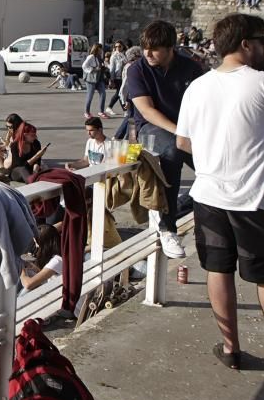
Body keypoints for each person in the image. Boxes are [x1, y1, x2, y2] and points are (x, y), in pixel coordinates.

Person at [176, 13, 264, 376]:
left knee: (218, 270)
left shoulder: (197, 86)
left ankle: (230, 348)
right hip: (257, 200)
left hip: (208, 196)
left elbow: (182, 141)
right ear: (246, 44)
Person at [124, 19, 206, 258]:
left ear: (171, 48)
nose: (147, 53)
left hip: (188, 128)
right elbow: (147, 110)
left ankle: (193, 208)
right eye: (145, 47)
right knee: (172, 151)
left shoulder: (191, 68)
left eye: (155, 48)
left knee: (212, 165)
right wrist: (182, 133)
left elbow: (205, 105)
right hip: (149, 128)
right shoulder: (137, 69)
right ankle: (167, 227)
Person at [19, 224, 63, 291]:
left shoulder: (57, 261)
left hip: (55, 294)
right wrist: (30, 266)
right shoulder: (58, 257)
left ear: (44, 244)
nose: (36, 246)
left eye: (36, 243)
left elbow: (28, 284)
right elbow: (46, 272)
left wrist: (21, 270)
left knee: (25, 288)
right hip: (55, 289)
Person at [82, 43, 109, 119]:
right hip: (91, 79)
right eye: (100, 49)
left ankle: (101, 111)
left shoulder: (99, 57)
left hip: (99, 78)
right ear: (96, 49)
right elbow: (84, 66)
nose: (101, 50)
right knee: (90, 95)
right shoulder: (91, 57)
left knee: (103, 94)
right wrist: (93, 69)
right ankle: (87, 112)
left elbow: (102, 66)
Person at [106, 42, 127, 115]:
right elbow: (112, 68)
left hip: (125, 76)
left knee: (120, 93)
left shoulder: (124, 55)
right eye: (116, 46)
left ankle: (109, 107)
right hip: (118, 77)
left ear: (122, 47)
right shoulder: (114, 56)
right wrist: (112, 79)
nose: (117, 48)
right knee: (120, 93)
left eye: (119, 46)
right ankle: (125, 110)